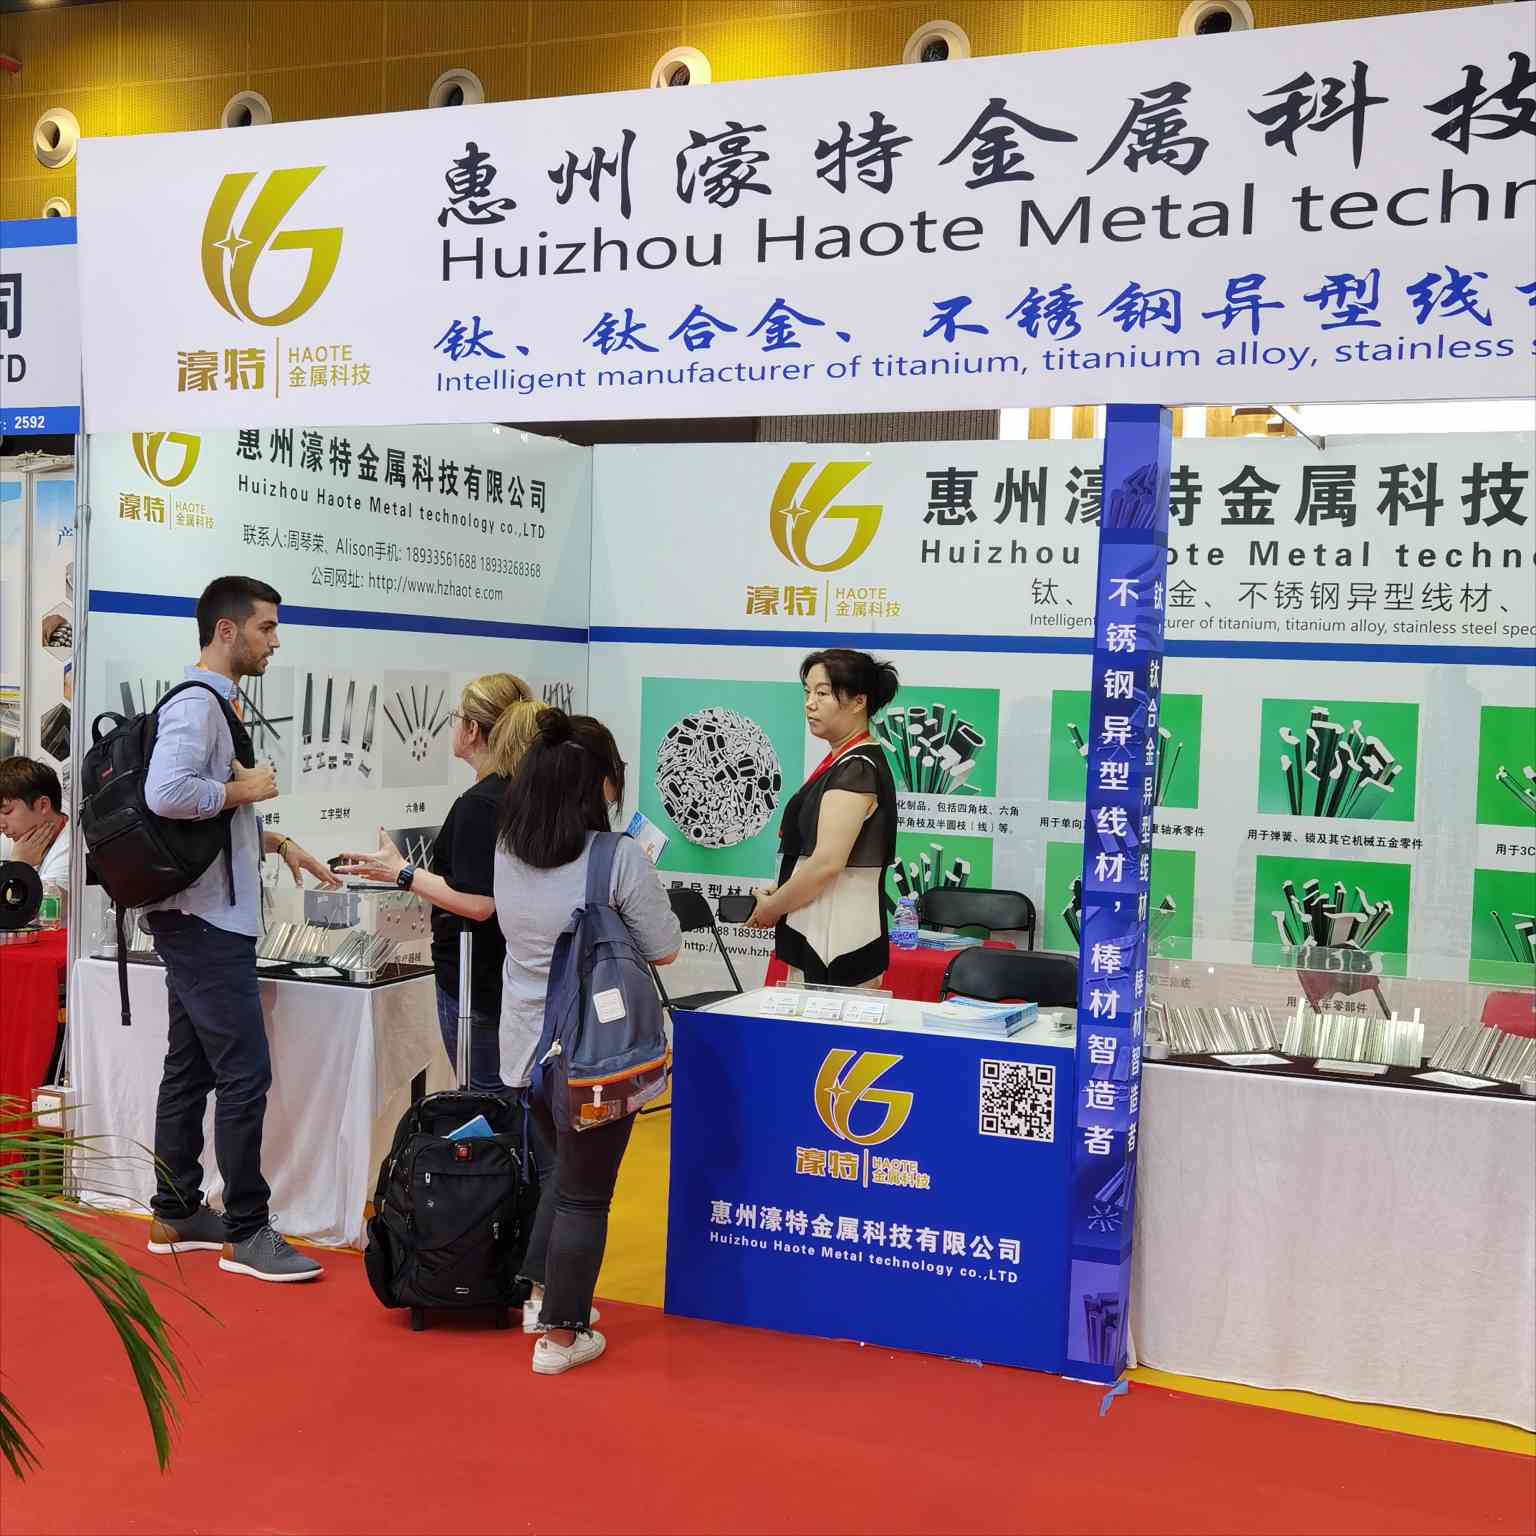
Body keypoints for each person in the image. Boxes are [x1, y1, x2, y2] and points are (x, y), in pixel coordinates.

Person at [142, 575, 339, 1283]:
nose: (274, 641)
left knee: (191, 1066)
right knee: (244, 1074)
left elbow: (208, 816)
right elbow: (165, 793)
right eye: (266, 627)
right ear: (226, 631)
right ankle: (248, 1231)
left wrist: (275, 840)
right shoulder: (199, 705)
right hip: (204, 923)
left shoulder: (212, 702)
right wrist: (242, 789)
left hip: (197, 917)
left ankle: (176, 1211)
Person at [495, 709, 681, 1375]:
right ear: (602, 785)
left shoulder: (507, 850)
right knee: (585, 1194)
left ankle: (540, 1298)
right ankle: (561, 1336)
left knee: (562, 1176)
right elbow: (665, 947)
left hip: (526, 1048)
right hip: (594, 1053)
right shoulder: (616, 857)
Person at [336, 676, 540, 1090]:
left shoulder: (479, 805)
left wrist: (403, 874)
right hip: (511, 976)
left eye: (456, 718)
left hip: (477, 981)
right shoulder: (521, 793)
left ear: (472, 729)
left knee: (485, 1097)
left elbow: (480, 903)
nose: (453, 726)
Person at [748, 649, 899, 987]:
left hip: (838, 944)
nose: (810, 704)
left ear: (859, 701)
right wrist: (783, 890)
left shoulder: (857, 768)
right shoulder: (844, 762)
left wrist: (773, 908)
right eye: (807, 692)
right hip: (816, 930)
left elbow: (827, 863)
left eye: (823, 693)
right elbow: (816, 860)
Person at [0, 756, 71, 890]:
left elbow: (40, 903)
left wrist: (19, 867)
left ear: (43, 805)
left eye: (7, 811)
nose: (1, 825)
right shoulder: (15, 836)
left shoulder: (71, 850)